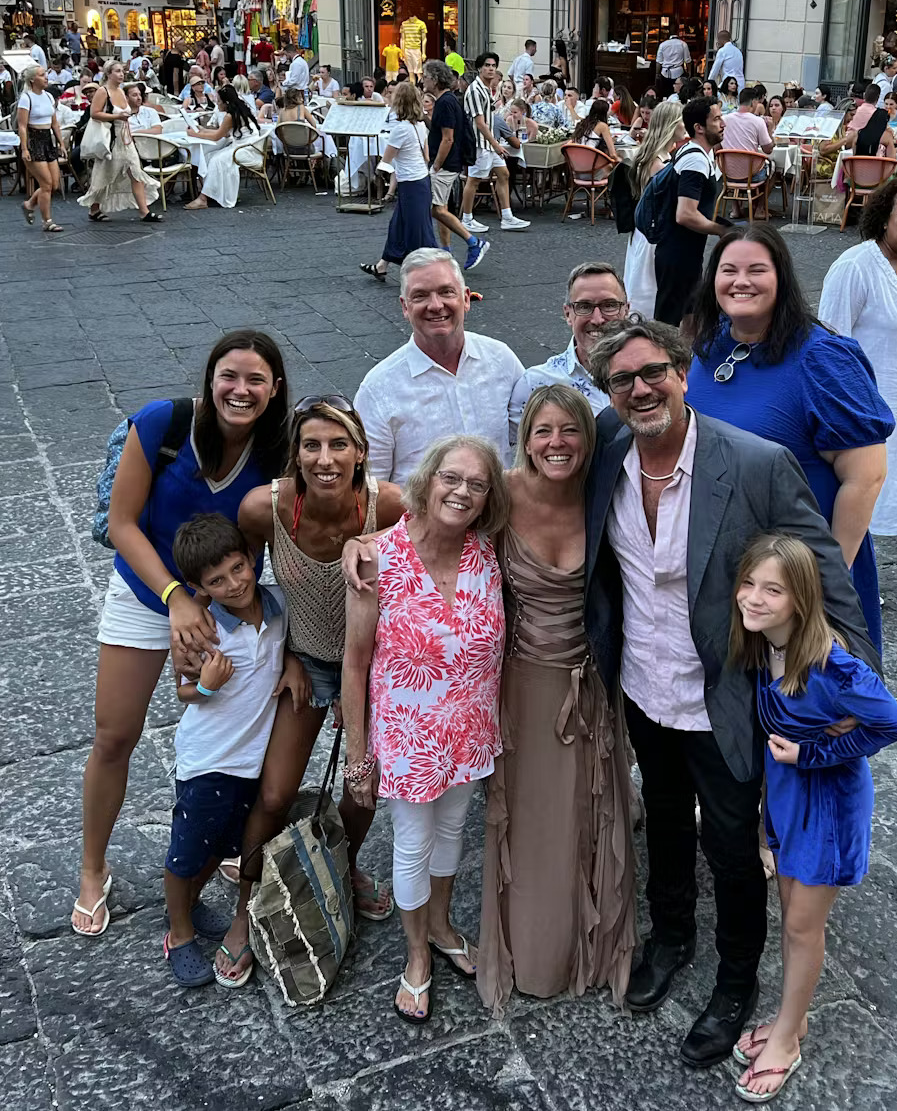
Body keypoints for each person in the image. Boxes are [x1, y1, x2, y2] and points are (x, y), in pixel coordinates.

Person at [580, 317, 876, 1068]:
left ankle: (736, 980)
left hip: (726, 695)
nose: (640, 389)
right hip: (644, 688)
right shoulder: (607, 453)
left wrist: (853, 686)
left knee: (736, 846)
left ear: (684, 375)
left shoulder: (753, 463)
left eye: (654, 374)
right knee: (670, 823)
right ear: (607, 392)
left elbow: (824, 574)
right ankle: (672, 933)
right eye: (623, 380)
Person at [71, 331, 289, 938]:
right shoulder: (164, 424)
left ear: (274, 391)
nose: (240, 390)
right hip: (147, 592)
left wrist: (203, 605)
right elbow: (121, 524)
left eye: (255, 380)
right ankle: (93, 867)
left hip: (215, 599)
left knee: (230, 721)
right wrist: (173, 599)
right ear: (210, 378)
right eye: (229, 375)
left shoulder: (275, 452)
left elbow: (262, 537)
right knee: (115, 733)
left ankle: (213, 832)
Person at [727, 533, 897, 1101]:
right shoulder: (766, 647)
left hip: (827, 808)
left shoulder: (835, 666)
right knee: (791, 919)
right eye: (749, 584)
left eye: (772, 590)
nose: (754, 599)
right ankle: (792, 1018)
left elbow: (891, 723)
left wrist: (813, 753)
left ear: (800, 599)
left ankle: (787, 1040)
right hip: (786, 799)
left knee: (803, 927)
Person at [228, 399, 404, 978]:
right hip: (304, 659)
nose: (325, 459)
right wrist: (281, 654)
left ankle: (339, 866)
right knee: (276, 793)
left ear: (360, 452)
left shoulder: (391, 504)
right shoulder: (265, 507)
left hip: (373, 666)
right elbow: (243, 586)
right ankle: (244, 902)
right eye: (312, 446)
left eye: (338, 445)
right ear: (295, 454)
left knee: (362, 790)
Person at [477, 384, 637, 1014]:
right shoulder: (503, 491)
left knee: (590, 813)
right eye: (543, 431)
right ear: (525, 438)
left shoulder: (604, 495)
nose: (556, 444)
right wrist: (364, 545)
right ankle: (536, 951)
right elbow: (426, 520)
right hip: (523, 686)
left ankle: (591, 944)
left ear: (587, 439)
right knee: (534, 822)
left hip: (591, 684)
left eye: (569, 430)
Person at [342, 435, 509, 1023]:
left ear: (489, 499)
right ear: (428, 480)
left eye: (477, 484)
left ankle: (439, 924)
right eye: (451, 477)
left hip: (469, 727)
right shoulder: (376, 558)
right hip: (409, 735)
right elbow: (356, 662)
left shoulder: (486, 552)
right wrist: (357, 757)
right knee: (413, 843)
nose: (462, 491)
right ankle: (416, 953)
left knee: (453, 831)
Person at [689, 223, 893, 659]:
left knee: (801, 711)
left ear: (781, 277)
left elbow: (867, 477)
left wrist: (823, 584)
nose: (740, 281)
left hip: (800, 574)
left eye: (756, 270)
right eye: (728, 270)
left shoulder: (821, 357)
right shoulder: (710, 347)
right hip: (730, 567)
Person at [159, 514, 308, 988]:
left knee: (220, 844)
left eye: (239, 568)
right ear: (197, 586)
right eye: (216, 580)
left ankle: (192, 904)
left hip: (252, 761)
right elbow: (182, 691)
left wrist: (292, 665)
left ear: (252, 559)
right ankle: (178, 932)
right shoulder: (203, 629)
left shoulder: (279, 605)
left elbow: (284, 646)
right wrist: (204, 686)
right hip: (209, 760)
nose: (234, 583)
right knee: (186, 851)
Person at [819, 179, 897, 539]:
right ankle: (840, 586)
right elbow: (829, 343)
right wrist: (839, 410)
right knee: (851, 497)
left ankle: (866, 587)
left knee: (882, 494)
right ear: (884, 218)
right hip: (858, 410)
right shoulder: (855, 267)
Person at [354, 248, 524, 483]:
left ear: (465, 299)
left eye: (446, 292)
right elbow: (372, 488)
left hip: (500, 515)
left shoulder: (501, 360)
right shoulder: (378, 389)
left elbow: (531, 439)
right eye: (420, 296)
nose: (435, 305)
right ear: (405, 307)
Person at [652, 97, 733, 328]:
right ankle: (660, 363)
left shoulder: (698, 153)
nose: (723, 123)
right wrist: (721, 229)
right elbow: (685, 214)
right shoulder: (695, 160)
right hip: (678, 252)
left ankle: (687, 363)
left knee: (691, 316)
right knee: (667, 323)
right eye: (716, 119)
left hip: (686, 251)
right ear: (699, 127)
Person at [509, 262, 626, 421]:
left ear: (626, 310)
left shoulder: (655, 374)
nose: (598, 319)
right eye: (584, 306)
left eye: (610, 305)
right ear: (567, 314)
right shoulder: (535, 384)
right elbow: (519, 444)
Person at [360, 82, 435, 284]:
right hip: (421, 179)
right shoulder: (420, 125)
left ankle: (427, 272)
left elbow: (386, 159)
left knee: (416, 230)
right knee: (399, 225)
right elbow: (427, 156)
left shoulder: (400, 129)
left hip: (410, 183)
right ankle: (382, 266)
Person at [421, 61, 489, 268]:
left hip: (446, 163)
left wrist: (436, 165)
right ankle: (446, 252)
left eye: (425, 76)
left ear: (434, 79)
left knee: (436, 209)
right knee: (441, 206)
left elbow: (447, 138)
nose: (423, 79)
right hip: (448, 162)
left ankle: (473, 242)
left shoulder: (445, 103)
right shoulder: (446, 101)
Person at [623, 100, 686, 318]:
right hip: (654, 234)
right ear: (671, 124)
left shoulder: (656, 156)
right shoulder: (658, 163)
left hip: (645, 232)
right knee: (648, 288)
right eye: (681, 121)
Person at [79, 60, 162, 223]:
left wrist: (129, 134)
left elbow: (126, 118)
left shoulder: (121, 92)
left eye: (122, 71)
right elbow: (94, 113)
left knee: (135, 172)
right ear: (109, 74)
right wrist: (116, 116)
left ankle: (144, 211)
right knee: (105, 175)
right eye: (117, 71)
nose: (121, 74)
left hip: (125, 139)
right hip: (111, 140)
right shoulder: (103, 92)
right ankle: (94, 208)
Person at [460, 53, 529, 233]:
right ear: (480, 68)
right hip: (479, 143)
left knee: (504, 174)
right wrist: (496, 143)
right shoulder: (475, 90)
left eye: (493, 65)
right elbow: (479, 122)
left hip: (488, 142)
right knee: (474, 180)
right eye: (487, 65)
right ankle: (466, 219)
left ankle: (507, 217)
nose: (491, 68)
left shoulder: (485, 88)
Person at [183, 86, 260, 211]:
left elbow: (216, 136)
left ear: (226, 102)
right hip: (245, 144)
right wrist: (203, 130)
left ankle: (203, 198)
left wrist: (195, 134)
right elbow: (223, 132)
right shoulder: (238, 110)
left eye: (218, 101)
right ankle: (213, 193)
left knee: (216, 160)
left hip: (247, 148)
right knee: (208, 157)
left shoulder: (230, 116)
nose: (216, 104)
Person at [15, 66, 65, 234]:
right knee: (46, 184)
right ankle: (47, 221)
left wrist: (61, 143)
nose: (46, 78)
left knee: (54, 184)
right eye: (42, 75)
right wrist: (24, 148)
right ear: (32, 80)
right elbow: (22, 126)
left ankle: (29, 204)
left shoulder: (49, 96)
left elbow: (55, 123)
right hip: (34, 140)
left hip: (47, 140)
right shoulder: (26, 98)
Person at [656, 28, 692, 98]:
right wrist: (689, 72)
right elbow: (688, 60)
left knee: (665, 94)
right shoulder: (683, 44)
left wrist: (657, 73)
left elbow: (659, 62)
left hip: (665, 73)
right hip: (678, 72)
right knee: (679, 93)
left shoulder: (663, 45)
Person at [707, 29, 745, 94]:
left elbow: (715, 70)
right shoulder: (738, 51)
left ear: (721, 40)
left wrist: (709, 82)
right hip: (740, 83)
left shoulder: (722, 51)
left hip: (728, 83)